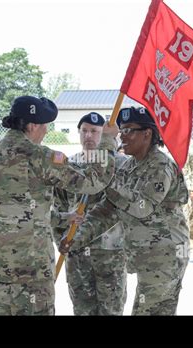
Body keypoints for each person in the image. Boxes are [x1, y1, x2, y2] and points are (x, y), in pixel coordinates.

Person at [0, 96, 118, 316]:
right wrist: (107, 142)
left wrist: (62, 218)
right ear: (32, 126)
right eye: (45, 126)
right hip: (30, 272)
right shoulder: (41, 156)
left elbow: (11, 212)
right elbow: (93, 181)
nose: (46, 132)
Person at [61, 107, 189, 315]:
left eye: (129, 130)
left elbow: (142, 207)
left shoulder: (160, 165)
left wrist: (106, 161)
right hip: (145, 256)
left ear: (147, 134)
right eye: (121, 130)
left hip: (164, 257)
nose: (122, 135)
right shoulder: (129, 166)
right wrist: (77, 237)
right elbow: (109, 210)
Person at [52, 112, 127, 315]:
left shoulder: (120, 165)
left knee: (111, 308)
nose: (88, 136)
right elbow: (58, 205)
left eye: (95, 131)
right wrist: (62, 238)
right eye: (84, 131)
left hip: (110, 251)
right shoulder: (70, 165)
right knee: (82, 308)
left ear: (105, 135)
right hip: (77, 251)